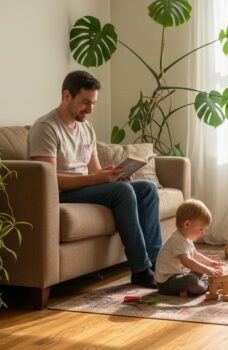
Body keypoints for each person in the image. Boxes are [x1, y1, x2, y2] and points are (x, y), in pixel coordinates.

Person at [27, 70, 162, 288]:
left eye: (93, 103)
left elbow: (95, 170)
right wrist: (97, 180)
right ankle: (140, 270)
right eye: (85, 103)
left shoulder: (86, 127)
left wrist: (116, 175)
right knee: (123, 192)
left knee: (146, 188)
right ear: (66, 96)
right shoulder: (46, 128)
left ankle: (158, 264)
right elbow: (48, 181)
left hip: (84, 189)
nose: (90, 109)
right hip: (61, 194)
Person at [155, 199, 224, 296]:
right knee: (190, 280)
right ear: (187, 224)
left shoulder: (186, 238)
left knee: (198, 270)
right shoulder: (177, 240)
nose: (202, 233)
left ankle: (197, 283)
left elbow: (195, 255)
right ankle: (206, 286)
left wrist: (211, 263)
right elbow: (187, 261)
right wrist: (208, 270)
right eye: (201, 229)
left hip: (178, 275)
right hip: (166, 282)